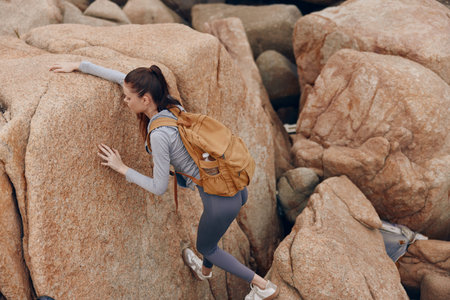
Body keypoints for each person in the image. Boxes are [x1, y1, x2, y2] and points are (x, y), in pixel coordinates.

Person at [49, 61, 279, 299]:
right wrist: (79, 65)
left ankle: (263, 286)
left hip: (219, 200)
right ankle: (205, 272)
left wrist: (122, 168)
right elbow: (122, 79)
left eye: (128, 98)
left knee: (207, 246)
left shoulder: (159, 135)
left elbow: (159, 187)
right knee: (209, 238)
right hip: (235, 189)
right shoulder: (172, 106)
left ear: (145, 99)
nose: (124, 101)